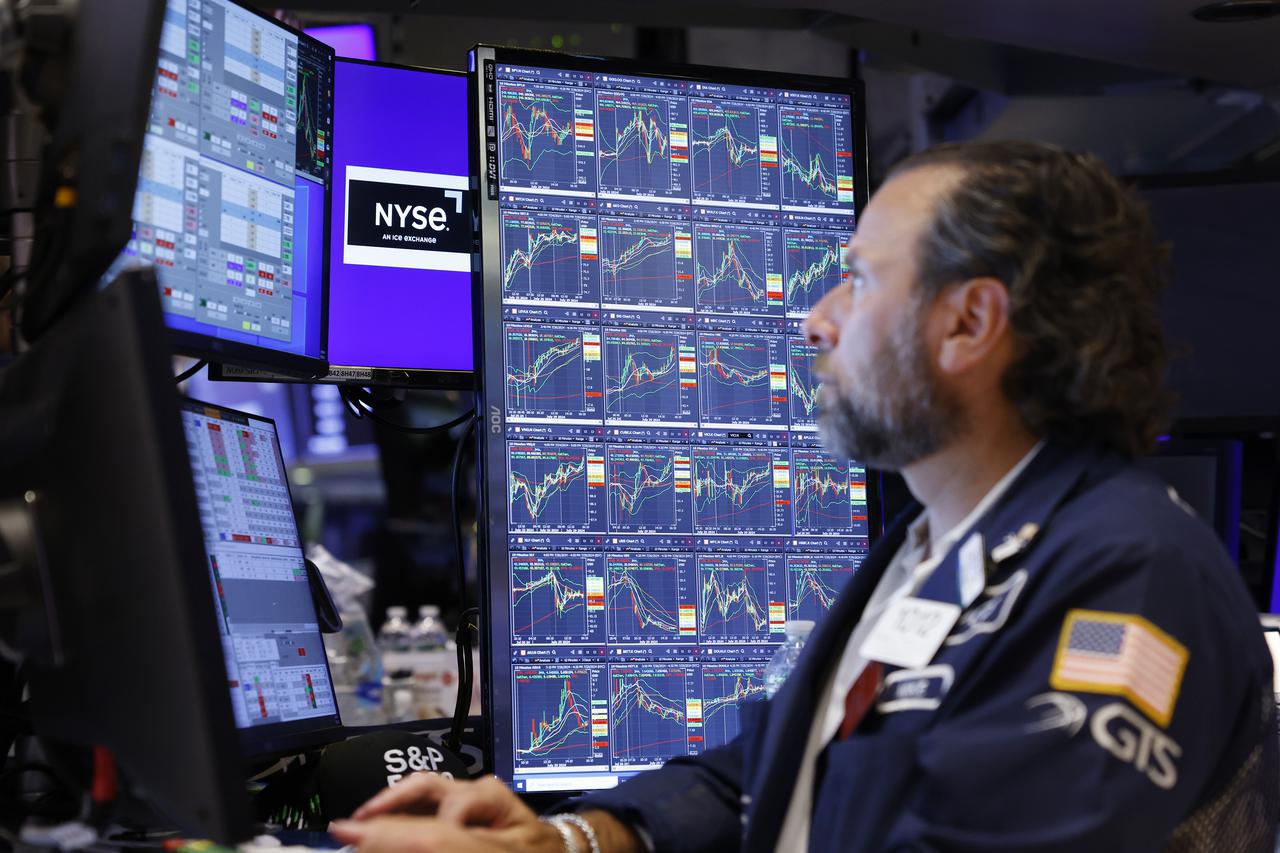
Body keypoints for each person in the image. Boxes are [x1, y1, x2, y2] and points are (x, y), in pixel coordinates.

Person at [331, 141, 1279, 853]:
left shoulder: (1128, 574)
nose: (816, 320)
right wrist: (567, 840)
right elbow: (778, 772)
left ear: (969, 323)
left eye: (859, 280)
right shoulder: (935, 546)